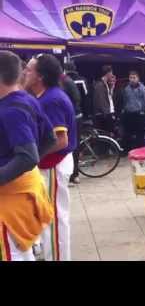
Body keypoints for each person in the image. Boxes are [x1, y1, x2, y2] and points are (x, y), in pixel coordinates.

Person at [0, 51, 55, 261]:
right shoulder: (27, 99)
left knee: (12, 253)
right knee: (21, 252)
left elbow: (28, 156)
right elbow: (49, 138)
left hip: (11, 199)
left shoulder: (11, 110)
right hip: (25, 189)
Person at [24, 53, 77, 261]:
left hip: (54, 165)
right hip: (52, 164)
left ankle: (58, 256)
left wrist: (33, 156)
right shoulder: (46, 96)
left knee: (55, 218)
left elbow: (60, 140)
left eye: (29, 70)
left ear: (40, 76)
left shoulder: (51, 100)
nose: (24, 73)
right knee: (49, 216)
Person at [60, 64, 82, 185]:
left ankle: (74, 174)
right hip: (72, 117)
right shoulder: (64, 81)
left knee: (72, 146)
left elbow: (76, 98)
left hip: (73, 118)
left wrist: (69, 112)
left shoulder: (66, 82)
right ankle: (72, 174)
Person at [121, 71, 145, 152]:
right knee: (127, 134)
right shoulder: (126, 89)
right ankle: (127, 151)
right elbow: (124, 100)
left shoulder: (143, 89)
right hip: (128, 114)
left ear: (138, 78)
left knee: (140, 135)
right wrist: (124, 110)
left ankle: (140, 151)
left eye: (134, 78)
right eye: (130, 78)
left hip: (139, 115)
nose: (132, 79)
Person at [93, 65, 116, 135]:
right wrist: (107, 115)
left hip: (108, 113)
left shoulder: (106, 84)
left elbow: (109, 98)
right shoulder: (100, 85)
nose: (112, 75)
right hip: (104, 116)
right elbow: (101, 101)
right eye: (111, 73)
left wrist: (112, 88)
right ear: (108, 73)